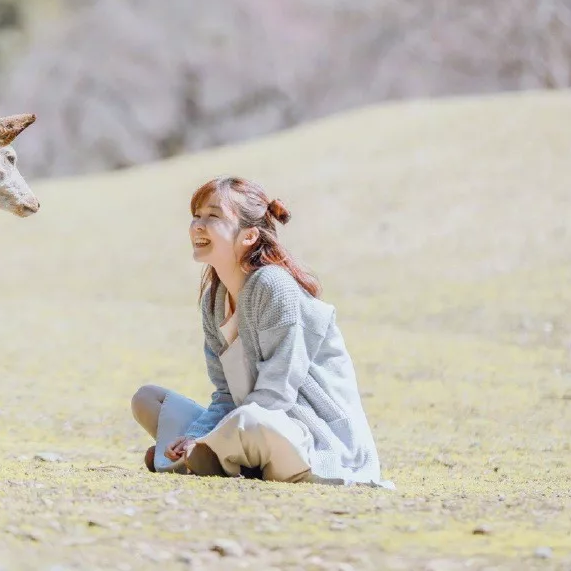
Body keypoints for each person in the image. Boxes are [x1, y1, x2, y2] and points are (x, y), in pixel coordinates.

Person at [130, 176, 392, 487]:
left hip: (308, 435)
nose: (198, 225)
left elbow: (276, 393)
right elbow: (226, 395)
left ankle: (204, 458)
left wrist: (210, 435)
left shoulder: (274, 286)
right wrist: (195, 435)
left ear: (250, 235)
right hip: (247, 425)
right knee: (148, 399)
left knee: (250, 421)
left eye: (213, 216)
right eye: (196, 215)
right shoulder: (213, 302)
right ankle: (209, 455)